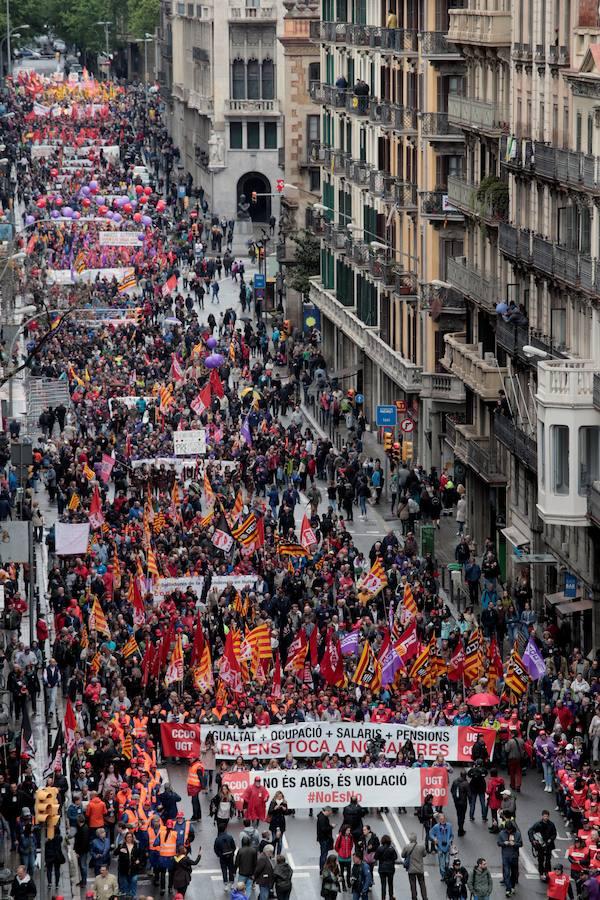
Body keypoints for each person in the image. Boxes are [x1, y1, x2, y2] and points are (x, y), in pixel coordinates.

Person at [528, 810, 557, 881]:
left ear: (548, 816)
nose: (545, 818)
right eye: (544, 816)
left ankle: (548, 873)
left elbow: (554, 834)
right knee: (540, 860)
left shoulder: (551, 824)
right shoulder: (538, 824)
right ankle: (541, 873)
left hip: (548, 845)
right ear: (542, 816)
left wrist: (550, 839)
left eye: (547, 816)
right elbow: (530, 831)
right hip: (540, 845)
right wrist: (533, 840)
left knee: (548, 860)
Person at [497, 820, 522, 897]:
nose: (508, 831)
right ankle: (508, 889)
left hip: (514, 856)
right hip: (506, 856)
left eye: (509, 829)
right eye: (507, 829)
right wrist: (503, 843)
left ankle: (512, 886)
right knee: (507, 873)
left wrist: (514, 844)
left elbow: (520, 844)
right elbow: (498, 843)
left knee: (514, 874)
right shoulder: (502, 833)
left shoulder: (517, 833)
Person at [402, 833, 428, 900]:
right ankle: (424, 897)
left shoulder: (407, 847)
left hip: (411, 869)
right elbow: (424, 854)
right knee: (422, 884)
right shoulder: (421, 846)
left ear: (410, 839)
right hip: (420, 868)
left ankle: (414, 897)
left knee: (413, 884)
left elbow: (402, 855)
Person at [117, 830, 142, 896]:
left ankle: (133, 897)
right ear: (125, 838)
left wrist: (139, 860)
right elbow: (115, 853)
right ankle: (127, 897)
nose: (129, 838)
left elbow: (141, 855)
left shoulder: (137, 845)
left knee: (134, 882)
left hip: (134, 868)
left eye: (130, 837)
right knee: (125, 886)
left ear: (133, 837)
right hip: (123, 869)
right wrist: (120, 850)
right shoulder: (122, 845)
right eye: (128, 837)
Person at [430, 814, 454, 880]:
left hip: (447, 846)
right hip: (440, 847)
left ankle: (446, 872)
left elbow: (452, 835)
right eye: (441, 819)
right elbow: (431, 833)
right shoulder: (436, 827)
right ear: (439, 820)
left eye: (443, 819)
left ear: (445, 819)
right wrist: (434, 838)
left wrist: (450, 841)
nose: (442, 820)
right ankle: (443, 876)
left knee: (447, 862)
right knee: (441, 863)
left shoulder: (449, 826)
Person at [374, 833, 397, 900]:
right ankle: (391, 896)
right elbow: (395, 857)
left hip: (382, 868)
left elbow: (375, 857)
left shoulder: (379, 848)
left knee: (383, 884)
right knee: (390, 883)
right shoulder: (391, 849)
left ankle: (383, 898)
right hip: (390, 868)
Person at [451, 771, 469, 836]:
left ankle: (460, 828)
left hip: (456, 801)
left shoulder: (455, 781)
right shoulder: (466, 783)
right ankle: (460, 829)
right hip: (463, 802)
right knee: (462, 816)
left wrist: (454, 797)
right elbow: (469, 794)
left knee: (459, 814)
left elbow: (452, 790)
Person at [317, 806, 334, 872]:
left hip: (322, 838)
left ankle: (322, 868)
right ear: (327, 811)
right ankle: (322, 869)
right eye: (330, 813)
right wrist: (331, 827)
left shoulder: (321, 817)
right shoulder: (323, 818)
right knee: (324, 855)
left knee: (323, 854)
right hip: (324, 838)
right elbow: (324, 829)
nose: (330, 814)